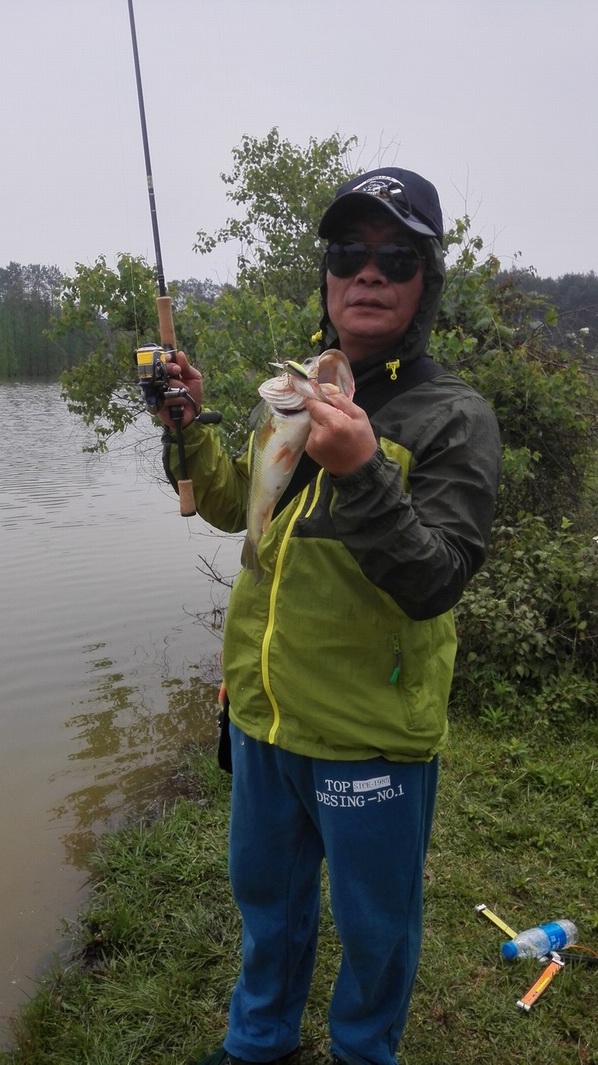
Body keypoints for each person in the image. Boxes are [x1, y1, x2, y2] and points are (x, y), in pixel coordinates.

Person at [157, 167, 502, 1065]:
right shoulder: (297, 390)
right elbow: (237, 505)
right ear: (327, 277)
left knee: (375, 925)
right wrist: (187, 426)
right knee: (266, 902)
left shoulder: (453, 416)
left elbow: (435, 578)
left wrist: (360, 467)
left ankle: (362, 1051)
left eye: (397, 257)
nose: (368, 272)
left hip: (369, 734)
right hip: (266, 719)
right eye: (348, 252)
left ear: (425, 281)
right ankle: (259, 1040)